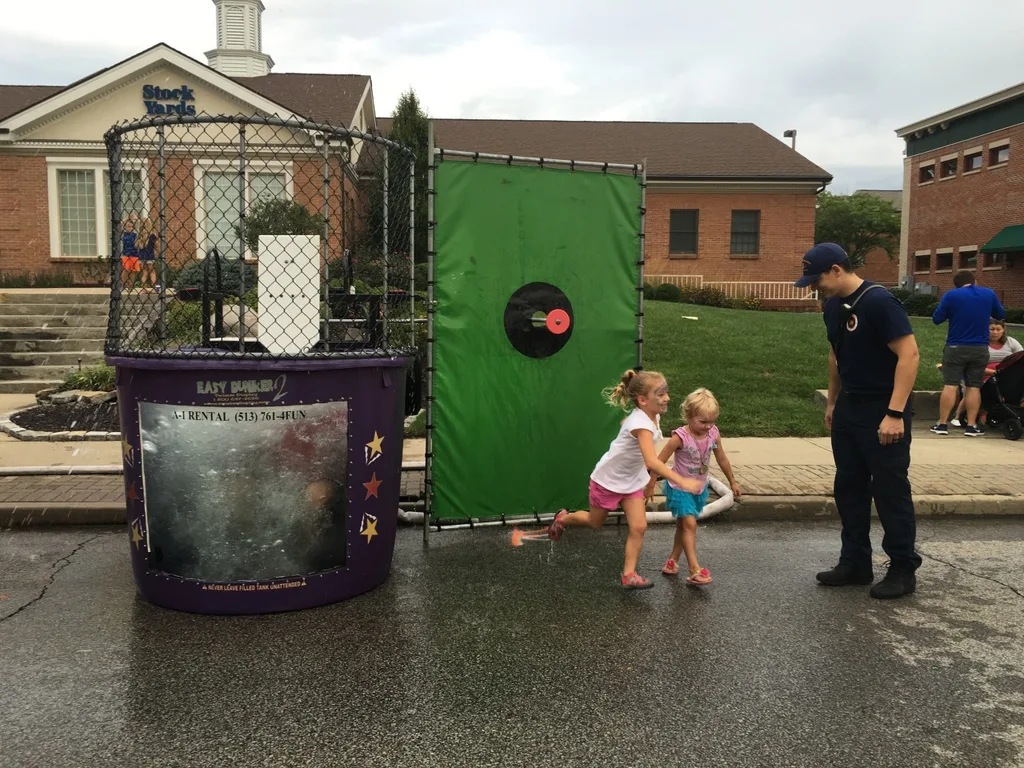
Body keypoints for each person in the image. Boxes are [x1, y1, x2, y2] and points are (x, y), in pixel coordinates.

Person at [793, 242, 921, 599]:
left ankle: (902, 568)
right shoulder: (832, 305)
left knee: (890, 489)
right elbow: (836, 355)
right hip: (850, 407)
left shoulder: (879, 302)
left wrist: (895, 414)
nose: (814, 287)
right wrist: (833, 402)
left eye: (816, 279)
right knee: (849, 487)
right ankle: (855, 562)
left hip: (883, 408)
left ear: (836, 269)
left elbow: (909, 355)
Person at [547, 370, 704, 590]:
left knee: (639, 526)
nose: (667, 397)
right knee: (595, 522)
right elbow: (651, 461)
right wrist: (682, 481)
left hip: (630, 482)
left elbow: (629, 427)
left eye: (666, 392)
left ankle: (629, 574)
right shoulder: (642, 424)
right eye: (660, 394)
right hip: (608, 481)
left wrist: (647, 481)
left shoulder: (651, 414)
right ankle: (563, 519)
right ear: (643, 400)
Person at [644, 387, 741, 585]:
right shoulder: (680, 437)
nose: (708, 426)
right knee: (689, 525)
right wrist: (651, 482)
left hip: (698, 488)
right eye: (703, 422)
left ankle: (671, 561)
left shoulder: (713, 434)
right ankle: (694, 569)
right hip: (679, 489)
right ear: (689, 416)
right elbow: (658, 461)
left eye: (711, 421)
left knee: (682, 526)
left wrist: (732, 480)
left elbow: (721, 457)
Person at [930, 271, 1005, 436]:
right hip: (980, 348)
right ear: (974, 281)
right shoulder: (989, 293)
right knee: (974, 386)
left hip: (956, 346)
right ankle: (971, 426)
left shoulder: (952, 295)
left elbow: (936, 319)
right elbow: (1000, 314)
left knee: (950, 384)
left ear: (956, 284)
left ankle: (942, 424)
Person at [948, 319, 1023, 426]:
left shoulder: (1011, 342)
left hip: (1008, 375)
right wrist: (994, 372)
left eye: (998, 329)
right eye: (992, 329)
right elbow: (973, 365)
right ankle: (957, 415)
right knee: (974, 389)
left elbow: (1019, 357)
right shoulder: (979, 343)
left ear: (1003, 330)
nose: (995, 332)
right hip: (984, 375)